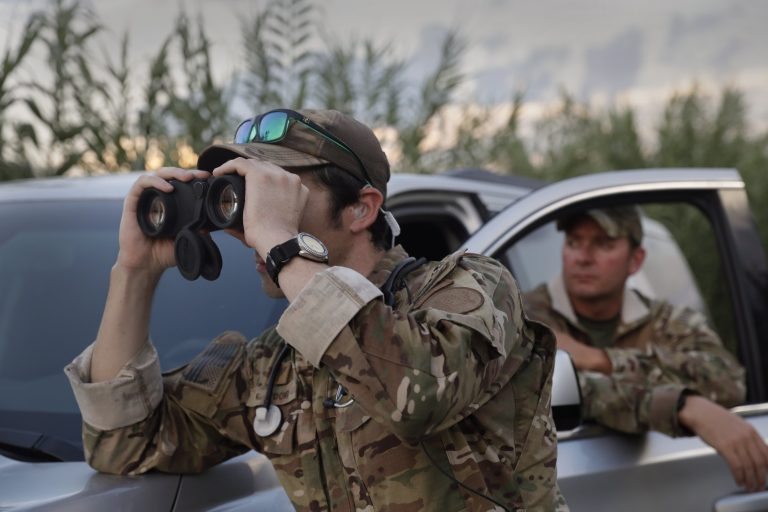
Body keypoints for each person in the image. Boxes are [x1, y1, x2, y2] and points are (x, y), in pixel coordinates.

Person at [64, 108, 568, 511]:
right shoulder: (275, 366)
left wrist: (281, 243)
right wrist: (134, 272)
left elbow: (415, 395)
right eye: (250, 192)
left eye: (278, 188)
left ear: (360, 209)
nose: (255, 216)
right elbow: (123, 445)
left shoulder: (472, 287)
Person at [523, 206, 768, 492]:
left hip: (656, 487)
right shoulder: (526, 318)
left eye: (603, 244)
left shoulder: (664, 320)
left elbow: (727, 379)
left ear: (636, 261)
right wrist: (682, 405)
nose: (583, 257)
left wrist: (600, 360)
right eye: (574, 242)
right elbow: (559, 390)